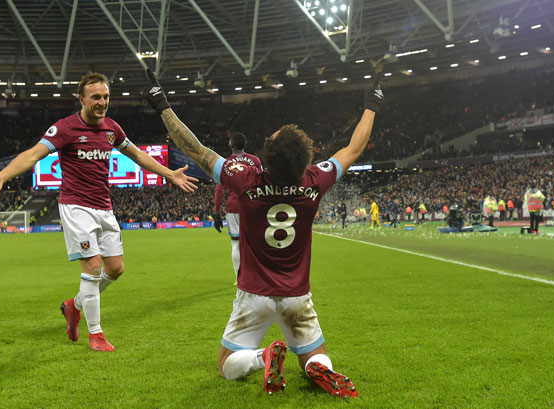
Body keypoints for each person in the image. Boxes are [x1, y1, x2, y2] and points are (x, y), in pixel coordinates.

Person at [142, 65, 383, 397]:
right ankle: (318, 368)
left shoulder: (245, 181)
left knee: (227, 365)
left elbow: (196, 148)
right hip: (297, 295)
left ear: (268, 155)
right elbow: (353, 149)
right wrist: (372, 105)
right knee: (315, 354)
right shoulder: (315, 181)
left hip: (254, 294)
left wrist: (163, 107)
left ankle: (262, 356)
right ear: (304, 159)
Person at [0, 72, 197, 352]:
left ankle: (73, 305)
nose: (102, 102)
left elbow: (137, 155)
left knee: (116, 269)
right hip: (75, 206)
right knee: (93, 267)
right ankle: (95, 334)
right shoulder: (65, 128)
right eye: (96, 97)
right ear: (81, 99)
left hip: (104, 207)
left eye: (106, 97)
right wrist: (2, 176)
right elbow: (34, 154)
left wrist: (169, 173)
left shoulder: (112, 129)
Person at [212, 132, 262, 283]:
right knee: (255, 243)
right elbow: (263, 182)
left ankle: (239, 278)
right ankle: (257, 276)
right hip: (253, 206)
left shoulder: (225, 163)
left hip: (234, 207)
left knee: (236, 243)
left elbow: (220, 190)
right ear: (244, 145)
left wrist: (216, 212)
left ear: (231, 145)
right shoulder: (255, 160)